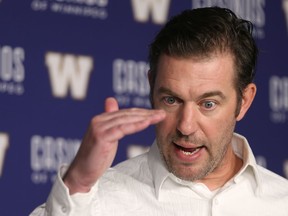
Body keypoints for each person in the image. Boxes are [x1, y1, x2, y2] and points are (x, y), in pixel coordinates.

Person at [30, 7, 288, 216]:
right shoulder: (92, 201)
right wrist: (79, 183)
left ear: (244, 101)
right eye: (172, 100)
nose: (185, 127)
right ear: (151, 87)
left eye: (207, 104)